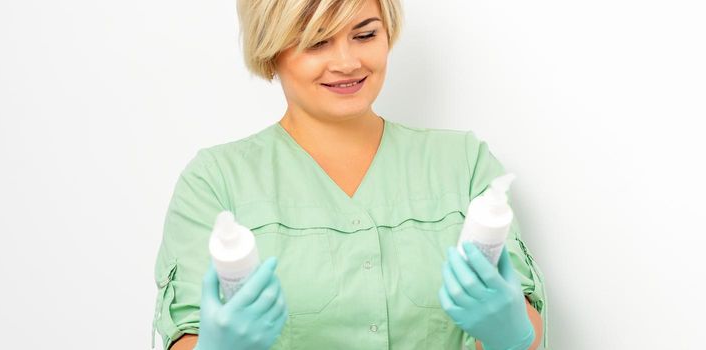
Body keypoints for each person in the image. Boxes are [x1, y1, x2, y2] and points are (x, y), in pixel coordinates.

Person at [152, 0, 548, 349]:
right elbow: (186, 335)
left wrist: (510, 337)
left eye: (365, 34)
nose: (347, 62)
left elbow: (525, 326)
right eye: (317, 41)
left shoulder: (464, 163)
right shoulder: (215, 182)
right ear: (271, 49)